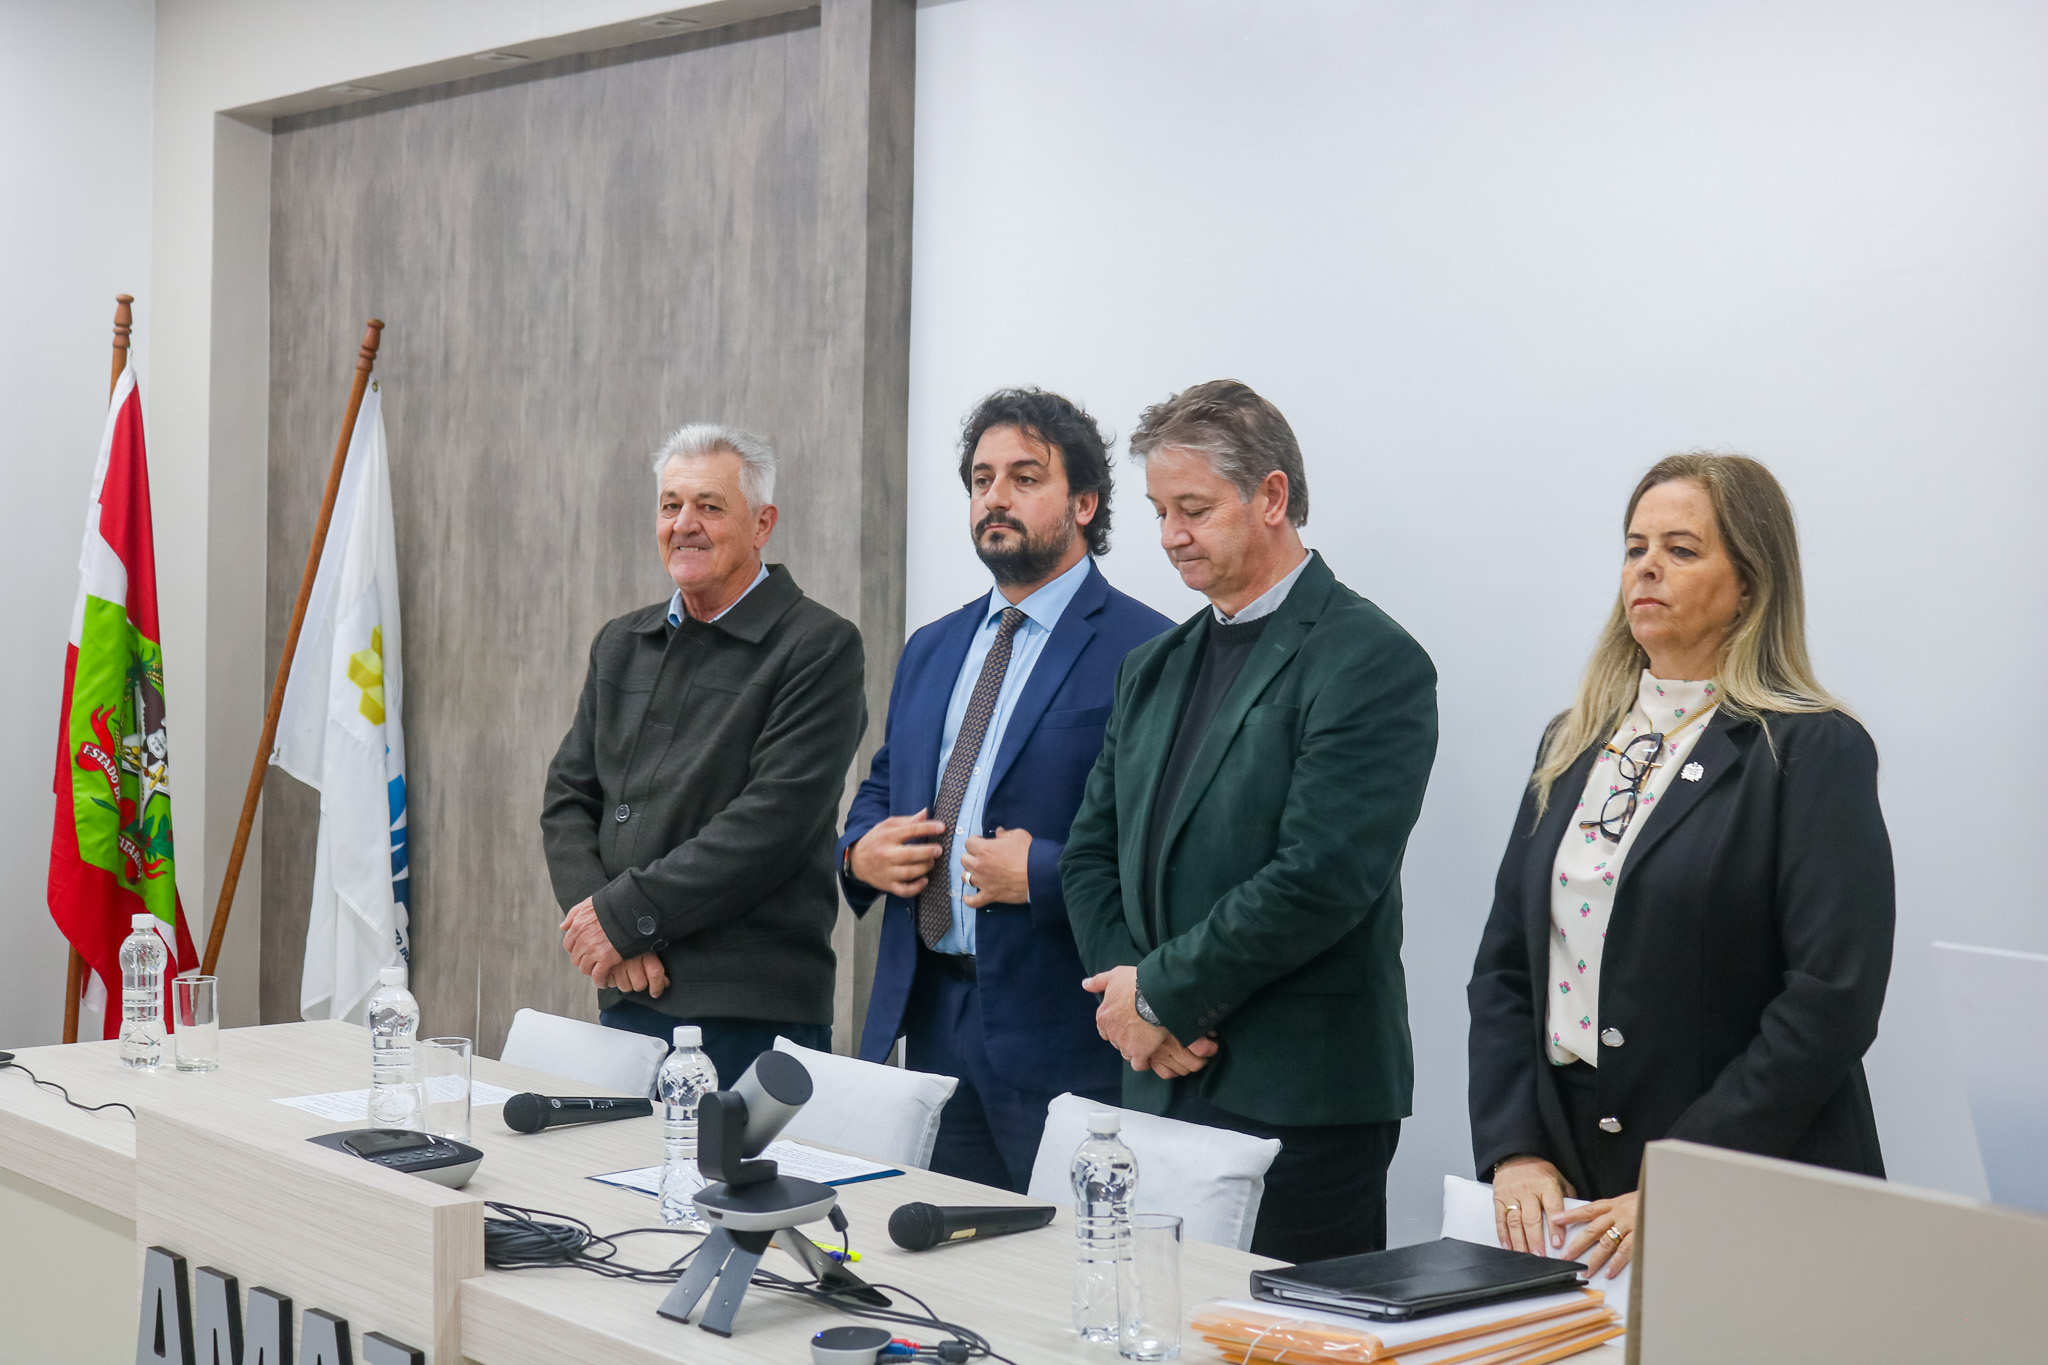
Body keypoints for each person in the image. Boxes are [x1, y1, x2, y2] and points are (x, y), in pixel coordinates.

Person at [1467, 453, 1893, 1281]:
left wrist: (1685, 1171)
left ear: (1750, 585)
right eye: (1634, 548)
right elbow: (1505, 972)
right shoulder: (1571, 742)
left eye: (1682, 549)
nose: (1647, 568)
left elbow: (1830, 1000)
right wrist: (1515, 1148)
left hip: (1750, 1180)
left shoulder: (1811, 749)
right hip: (1572, 1181)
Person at [1062, 380, 1439, 1263]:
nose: (1169, 537)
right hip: (1156, 1075)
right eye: (1159, 510)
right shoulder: (1152, 665)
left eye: (1192, 508)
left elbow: (1321, 875)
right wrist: (1133, 1001)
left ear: (1272, 497)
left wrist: (1164, 994)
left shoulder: (1371, 659)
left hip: (1299, 1101)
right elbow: (1090, 852)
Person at [840, 389, 1172, 1191]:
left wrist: (1044, 873)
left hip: (1062, 1027)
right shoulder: (932, 645)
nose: (995, 496)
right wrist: (860, 851)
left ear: (1085, 503)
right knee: (935, 1267)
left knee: (1063, 1275)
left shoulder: (1150, 648)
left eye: (1025, 477)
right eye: (982, 479)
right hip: (929, 1018)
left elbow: (1163, 846)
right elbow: (883, 785)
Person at [541, 424, 866, 1087]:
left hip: (749, 1011)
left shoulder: (819, 646)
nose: (684, 524)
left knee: (725, 1193)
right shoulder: (620, 641)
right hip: (629, 992)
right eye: (670, 505)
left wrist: (624, 920)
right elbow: (568, 799)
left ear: (762, 523)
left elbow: (770, 824)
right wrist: (606, 926)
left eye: (710, 506)